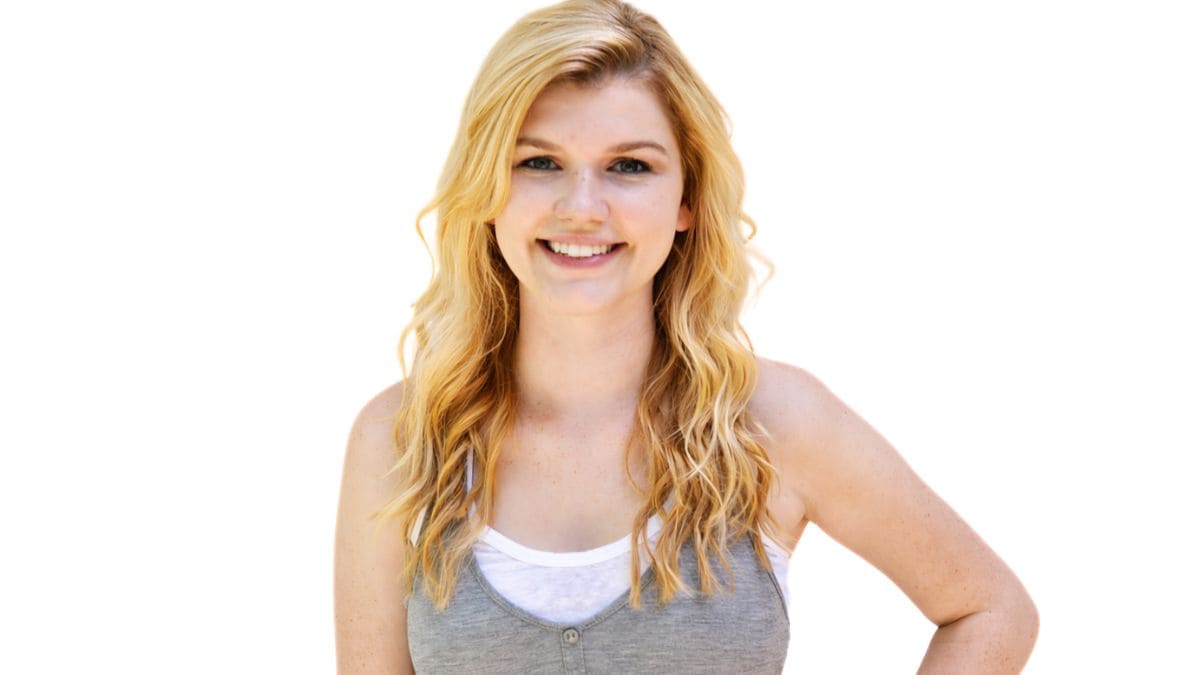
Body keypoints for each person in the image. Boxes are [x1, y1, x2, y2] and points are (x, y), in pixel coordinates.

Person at [334, 0, 1038, 672]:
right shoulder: (400, 438)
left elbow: (989, 608)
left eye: (629, 166)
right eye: (538, 162)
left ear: (687, 201)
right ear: (487, 191)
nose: (582, 207)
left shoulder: (772, 423)